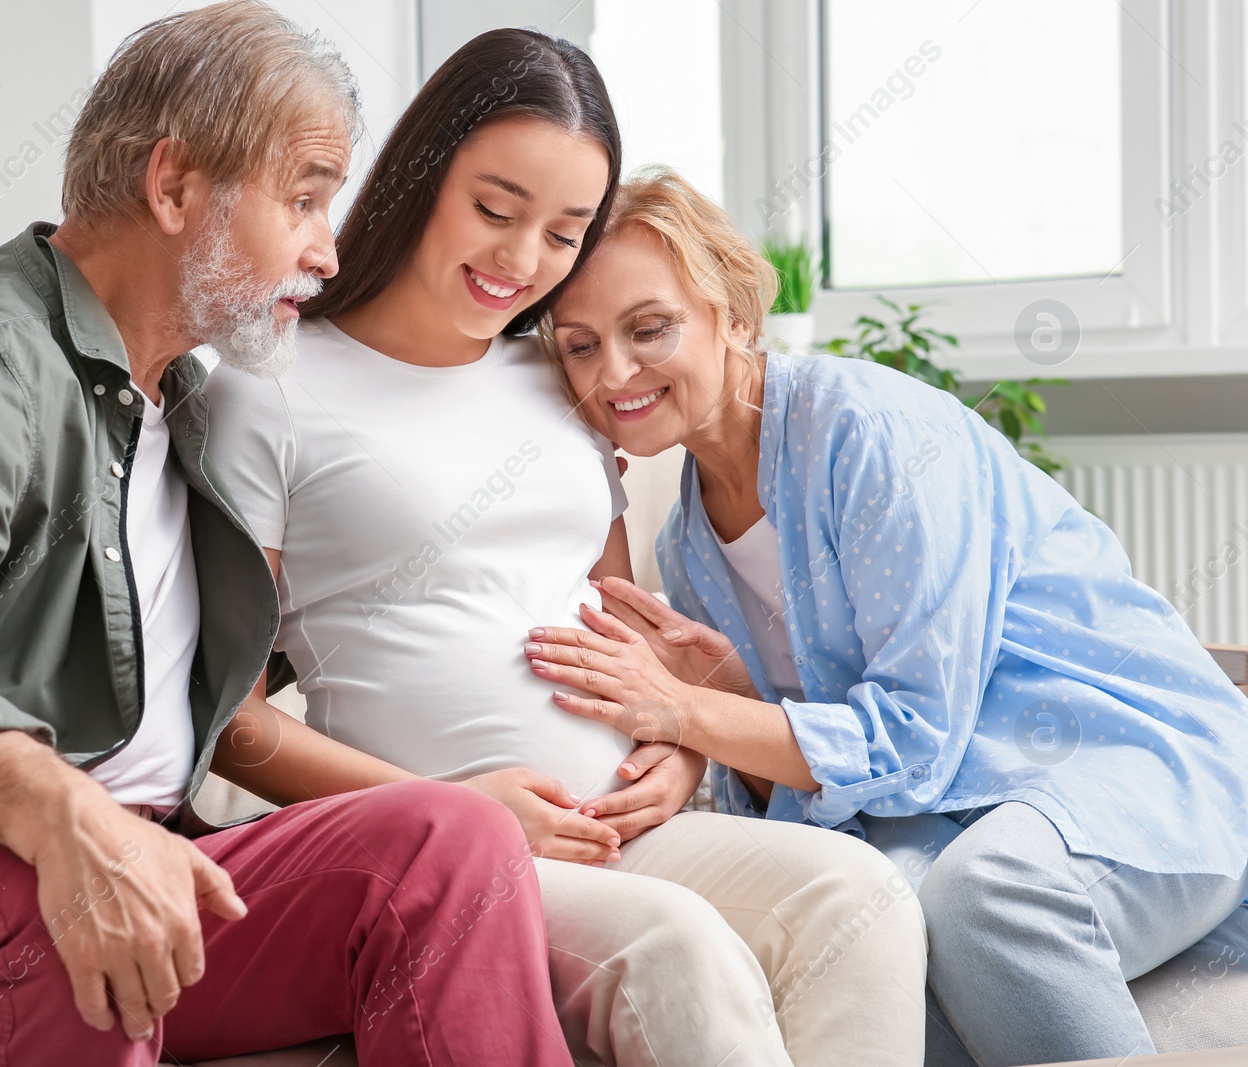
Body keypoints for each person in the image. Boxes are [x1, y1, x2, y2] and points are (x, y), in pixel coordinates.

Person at [0, 7, 575, 1066]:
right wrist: (70, 819)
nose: (326, 249)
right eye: (306, 196)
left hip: (140, 860)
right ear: (172, 184)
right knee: (75, 895)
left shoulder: (176, 392)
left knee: (448, 845)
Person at [205, 28, 927, 1067]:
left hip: (631, 821)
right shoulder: (270, 384)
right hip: (449, 856)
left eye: (562, 232)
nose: (520, 259)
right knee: (679, 944)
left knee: (858, 892)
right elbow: (231, 726)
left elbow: (629, 636)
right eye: (495, 210)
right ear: (419, 174)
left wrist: (677, 753)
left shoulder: (559, 378)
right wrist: (452, 814)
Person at [528, 166, 1248, 1067]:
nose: (614, 372)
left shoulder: (868, 434)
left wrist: (686, 712)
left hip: (1130, 757)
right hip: (959, 802)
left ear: (735, 317)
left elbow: (912, 735)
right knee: (871, 933)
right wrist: (733, 696)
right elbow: (828, 787)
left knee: (988, 898)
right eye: (582, 345)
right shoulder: (688, 547)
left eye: (649, 329)